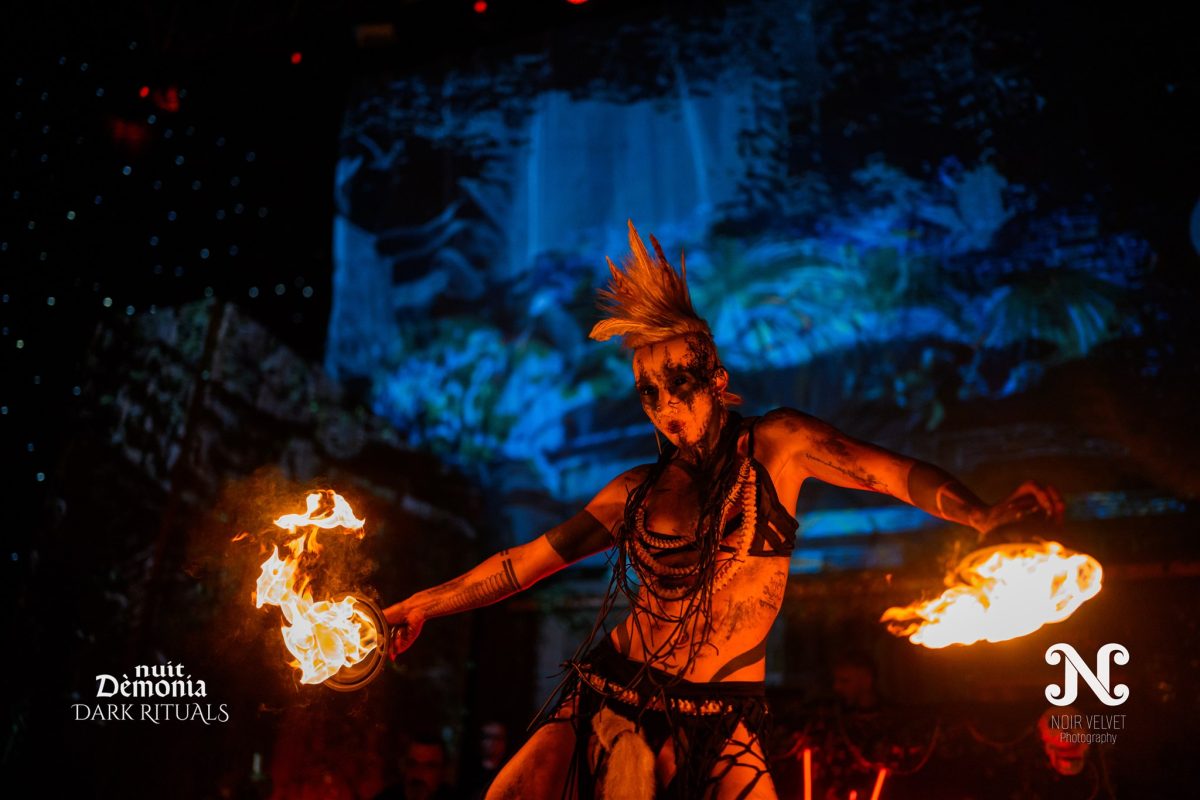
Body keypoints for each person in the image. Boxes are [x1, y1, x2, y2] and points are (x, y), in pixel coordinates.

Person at [384, 221, 1063, 799]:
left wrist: (980, 515)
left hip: (722, 712)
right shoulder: (632, 493)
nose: (667, 406)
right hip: (611, 687)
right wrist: (420, 605)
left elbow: (889, 474)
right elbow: (520, 565)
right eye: (650, 393)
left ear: (718, 380)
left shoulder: (779, 447)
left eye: (680, 384)